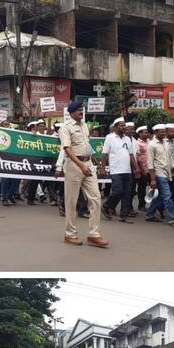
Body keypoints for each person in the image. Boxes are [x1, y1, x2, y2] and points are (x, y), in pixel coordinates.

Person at [59, 101, 107, 248]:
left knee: (96, 198)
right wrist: (81, 165)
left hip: (88, 165)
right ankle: (70, 234)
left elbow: (87, 147)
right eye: (78, 110)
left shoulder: (85, 126)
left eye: (82, 110)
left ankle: (94, 234)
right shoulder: (65, 128)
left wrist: (95, 163)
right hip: (74, 165)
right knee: (71, 202)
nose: (81, 112)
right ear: (71, 112)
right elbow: (67, 149)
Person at [101, 117, 139, 223]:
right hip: (116, 170)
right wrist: (103, 168)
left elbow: (131, 155)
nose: (124, 127)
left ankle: (124, 215)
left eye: (124, 125)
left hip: (127, 170)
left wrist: (136, 168)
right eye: (122, 125)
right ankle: (107, 205)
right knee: (117, 191)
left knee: (127, 193)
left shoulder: (127, 139)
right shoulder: (110, 137)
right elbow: (104, 154)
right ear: (116, 127)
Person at [146, 124, 174, 228]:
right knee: (167, 195)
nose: (164, 133)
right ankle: (173, 218)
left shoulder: (165, 142)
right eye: (161, 132)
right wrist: (152, 179)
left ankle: (149, 214)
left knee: (161, 196)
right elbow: (150, 163)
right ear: (155, 133)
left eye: (164, 131)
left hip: (168, 172)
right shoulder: (152, 145)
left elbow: (169, 157)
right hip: (159, 173)